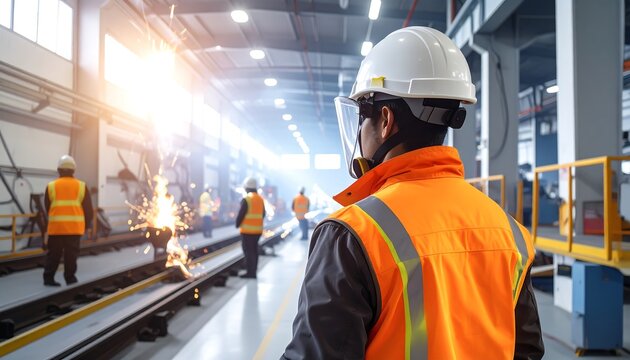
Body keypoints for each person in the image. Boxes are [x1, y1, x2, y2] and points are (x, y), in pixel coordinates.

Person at [282, 26, 544, 359]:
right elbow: (528, 351)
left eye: (363, 117)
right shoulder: (508, 231)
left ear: (386, 120)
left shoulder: (352, 234)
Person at [43, 155, 93, 286]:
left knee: (53, 254)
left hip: (56, 228)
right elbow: (88, 209)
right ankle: (70, 278)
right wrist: (87, 226)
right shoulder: (81, 186)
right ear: (74, 170)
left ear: (59, 170)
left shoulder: (51, 186)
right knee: (71, 255)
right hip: (74, 228)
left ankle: (48, 278)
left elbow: (47, 207)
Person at [235, 177, 265, 279]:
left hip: (247, 231)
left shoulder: (247, 199)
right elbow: (263, 214)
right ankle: (253, 271)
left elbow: (241, 214)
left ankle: (250, 273)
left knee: (248, 252)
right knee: (254, 251)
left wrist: (237, 224)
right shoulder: (260, 199)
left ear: (247, 187)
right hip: (257, 231)